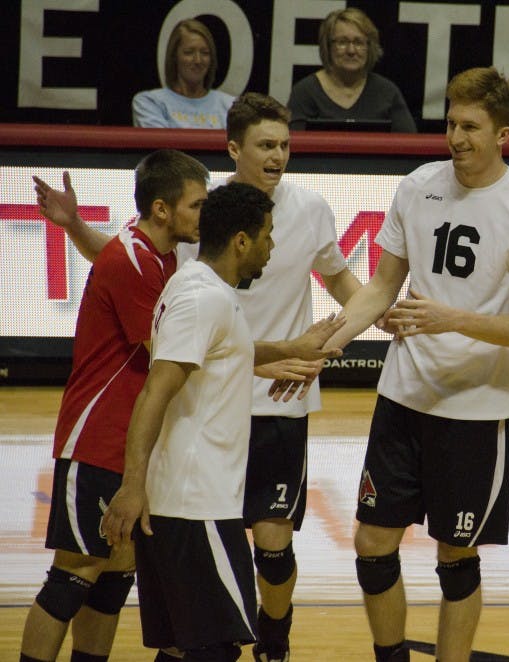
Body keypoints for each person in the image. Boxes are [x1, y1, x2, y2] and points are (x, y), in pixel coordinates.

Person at [36, 93, 363, 662]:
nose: (279, 155)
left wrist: (315, 345)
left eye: (286, 144)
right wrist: (282, 351)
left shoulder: (178, 261)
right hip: (139, 445)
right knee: (97, 586)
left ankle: (275, 641)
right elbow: (168, 367)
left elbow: (213, 344)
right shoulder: (185, 268)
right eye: (267, 144)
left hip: (226, 429)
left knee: (127, 586)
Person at [323, 66, 509, 662]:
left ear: (503, 133)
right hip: (403, 396)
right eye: (451, 123)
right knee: (372, 542)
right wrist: (331, 339)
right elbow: (381, 287)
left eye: (471, 126)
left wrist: (452, 319)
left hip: (475, 411)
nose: (456, 137)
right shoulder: (418, 186)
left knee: (456, 556)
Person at [100, 182, 344, 662]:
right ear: (240, 240)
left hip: (184, 503)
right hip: (195, 505)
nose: (272, 248)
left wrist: (292, 348)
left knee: (179, 648)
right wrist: (132, 486)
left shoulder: (196, 287)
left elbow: (224, 347)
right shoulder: (203, 299)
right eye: (267, 237)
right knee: (216, 649)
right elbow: (155, 391)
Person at [19, 150, 209, 662]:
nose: (204, 214)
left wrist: (75, 225)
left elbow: (109, 255)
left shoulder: (154, 250)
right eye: (197, 204)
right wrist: (261, 359)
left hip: (131, 439)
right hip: (98, 438)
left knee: (113, 575)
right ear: (164, 209)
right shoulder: (136, 259)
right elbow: (167, 352)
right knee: (73, 575)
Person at [287, 8, 416, 132]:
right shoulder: (305, 92)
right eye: (342, 42)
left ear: (369, 47)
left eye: (358, 43)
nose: (351, 51)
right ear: (327, 46)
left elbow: (410, 146)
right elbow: (293, 145)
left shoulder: (387, 92)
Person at [132, 18, 235, 129]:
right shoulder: (150, 102)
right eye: (189, 52)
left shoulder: (231, 105)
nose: (198, 60)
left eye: (205, 53)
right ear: (174, 57)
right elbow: (162, 145)